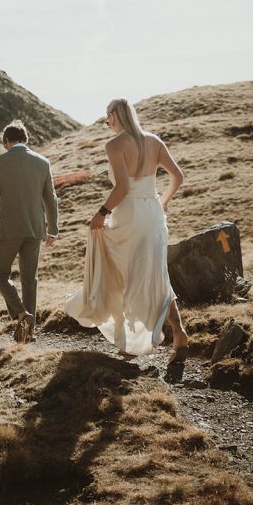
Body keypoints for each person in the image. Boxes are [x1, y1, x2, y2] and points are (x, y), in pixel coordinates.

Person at [66, 97, 189, 361]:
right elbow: (178, 176)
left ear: (115, 115)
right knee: (156, 274)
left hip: (129, 215)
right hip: (154, 215)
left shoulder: (115, 145)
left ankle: (130, 343)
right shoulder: (154, 141)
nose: (106, 122)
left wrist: (101, 213)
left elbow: (121, 188)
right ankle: (178, 332)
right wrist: (163, 201)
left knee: (122, 275)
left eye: (107, 117)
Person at [0, 120, 58, 343]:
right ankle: (27, 332)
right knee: (30, 279)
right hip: (35, 228)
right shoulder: (43, 162)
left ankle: (21, 314)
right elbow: (51, 199)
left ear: (6, 141)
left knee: (0, 275)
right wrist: (53, 229)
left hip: (8, 229)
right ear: (25, 139)